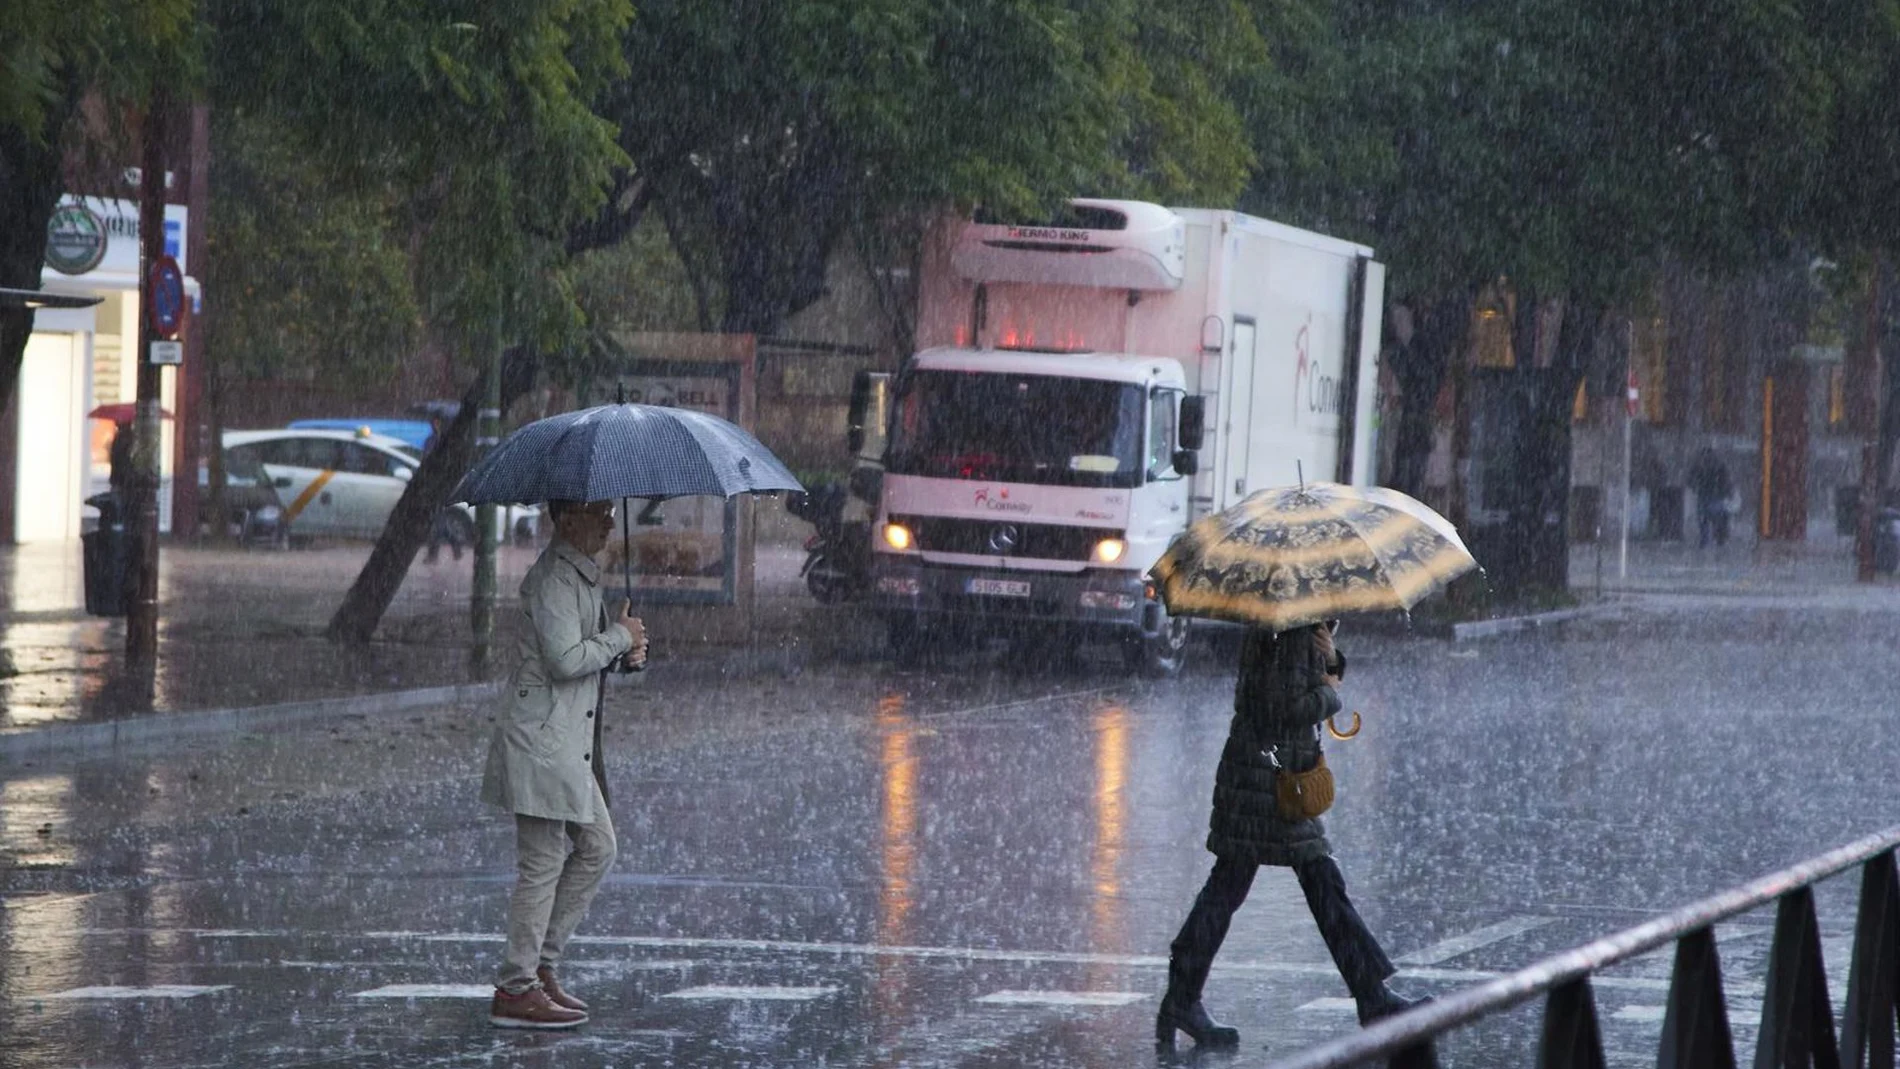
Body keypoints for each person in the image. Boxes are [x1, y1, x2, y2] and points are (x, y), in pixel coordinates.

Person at [1156, 621, 1420, 1049]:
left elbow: (1283, 691)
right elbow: (1285, 708)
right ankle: (1372, 999)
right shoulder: (1292, 629)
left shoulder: (1288, 623)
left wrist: (1330, 657)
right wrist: (1331, 690)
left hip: (1261, 774)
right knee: (1315, 885)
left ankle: (1182, 998)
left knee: (1238, 886)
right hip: (1270, 783)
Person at [481, 498, 648, 1029]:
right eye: (598, 512)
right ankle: (516, 986)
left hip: (564, 745)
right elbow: (564, 659)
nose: (609, 521)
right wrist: (618, 638)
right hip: (541, 743)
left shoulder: (582, 578)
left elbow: (585, 656)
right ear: (567, 518)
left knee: (598, 846)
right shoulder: (554, 578)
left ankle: (541, 966)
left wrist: (626, 652)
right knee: (542, 862)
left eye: (608, 511)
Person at [1687, 447, 1733, 548]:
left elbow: (1690, 479)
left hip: (1707, 495)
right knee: (1715, 517)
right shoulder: (1719, 466)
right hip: (1713, 495)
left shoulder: (1700, 466)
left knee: (1705, 519)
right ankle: (1717, 538)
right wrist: (1727, 491)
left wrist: (1696, 487)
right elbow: (1726, 480)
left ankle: (1707, 540)